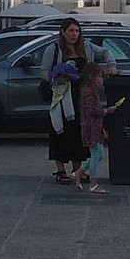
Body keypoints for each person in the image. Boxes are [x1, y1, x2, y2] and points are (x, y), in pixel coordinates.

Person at [40, 17, 114, 184]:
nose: (74, 34)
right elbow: (44, 71)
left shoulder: (86, 48)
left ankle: (77, 169)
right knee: (60, 131)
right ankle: (60, 170)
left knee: (78, 132)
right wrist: (56, 77)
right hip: (62, 95)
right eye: (70, 31)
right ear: (63, 32)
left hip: (81, 95)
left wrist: (111, 64)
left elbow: (105, 52)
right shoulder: (53, 49)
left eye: (77, 31)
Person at [75, 61, 109, 194]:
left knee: (99, 155)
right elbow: (92, 110)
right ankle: (93, 184)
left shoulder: (91, 90)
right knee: (95, 155)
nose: (101, 79)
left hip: (95, 126)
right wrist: (106, 111)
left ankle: (78, 173)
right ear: (91, 76)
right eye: (99, 76)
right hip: (90, 126)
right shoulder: (88, 92)